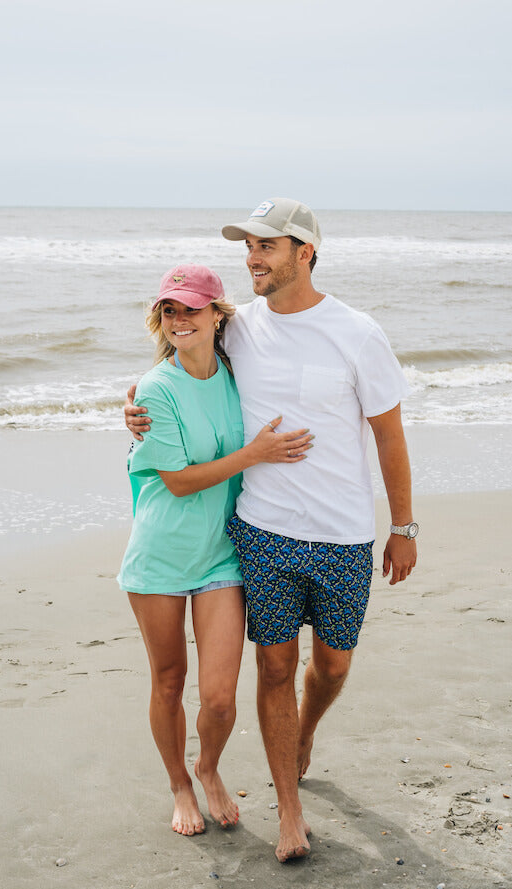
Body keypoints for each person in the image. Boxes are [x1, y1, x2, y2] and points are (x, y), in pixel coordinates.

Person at [125, 200, 418, 862]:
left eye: (267, 246)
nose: (252, 258)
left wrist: (402, 524)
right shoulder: (239, 329)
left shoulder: (357, 331)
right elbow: (177, 360)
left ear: (305, 252)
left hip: (344, 533)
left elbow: (389, 434)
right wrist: (132, 408)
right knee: (276, 663)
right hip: (261, 532)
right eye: (247, 248)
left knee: (334, 663)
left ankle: (304, 730)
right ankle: (289, 805)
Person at [117, 263, 312, 839]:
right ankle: (180, 782)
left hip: (221, 554)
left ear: (217, 315)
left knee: (221, 699)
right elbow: (176, 480)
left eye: (192, 309)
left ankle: (209, 766)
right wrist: (257, 454)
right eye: (169, 310)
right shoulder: (155, 388)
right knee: (170, 680)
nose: (180, 320)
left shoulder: (236, 371)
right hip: (160, 554)